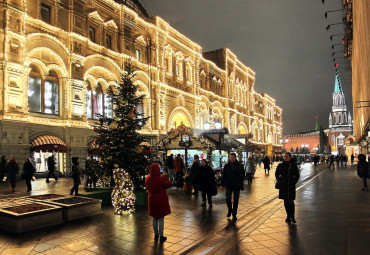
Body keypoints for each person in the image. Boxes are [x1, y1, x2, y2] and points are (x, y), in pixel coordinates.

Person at [145, 163, 171, 242]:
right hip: (161, 200)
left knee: (154, 218)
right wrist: (164, 176)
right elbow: (168, 185)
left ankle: (156, 235)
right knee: (161, 218)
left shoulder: (148, 179)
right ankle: (161, 235)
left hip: (152, 200)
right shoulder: (161, 178)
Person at [275, 152, 300, 223]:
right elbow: (277, 174)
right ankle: (288, 216)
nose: (285, 157)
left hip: (291, 186)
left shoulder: (293, 165)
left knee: (291, 201)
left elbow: (297, 175)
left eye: (287, 156)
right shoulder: (280, 165)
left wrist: (293, 182)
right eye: (284, 156)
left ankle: (292, 216)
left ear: (290, 157)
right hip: (283, 186)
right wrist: (280, 180)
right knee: (286, 201)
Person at [221, 152, 245, 221]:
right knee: (228, 199)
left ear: (235, 158)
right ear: (229, 158)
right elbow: (224, 175)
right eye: (230, 157)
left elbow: (242, 175)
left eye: (233, 157)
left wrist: (240, 182)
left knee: (236, 200)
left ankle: (234, 214)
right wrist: (222, 184)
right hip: (228, 185)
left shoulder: (240, 165)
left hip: (236, 185)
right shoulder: (226, 166)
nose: (232, 159)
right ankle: (229, 210)